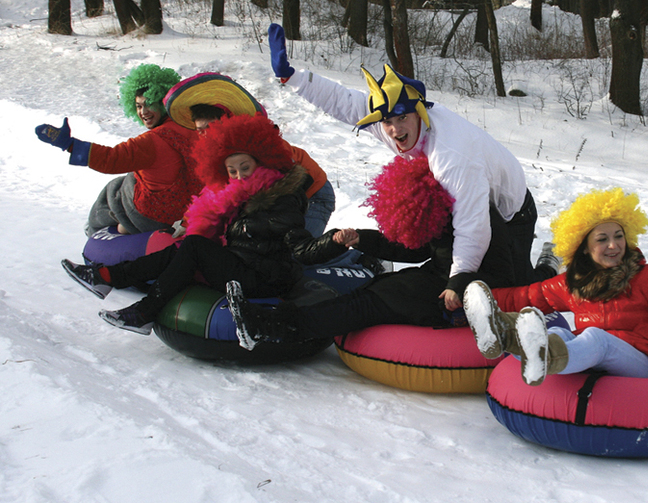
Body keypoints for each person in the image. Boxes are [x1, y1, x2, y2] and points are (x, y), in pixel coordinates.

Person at [267, 23, 557, 315]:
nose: (394, 130)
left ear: (419, 112)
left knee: (519, 289)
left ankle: (548, 264)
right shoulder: (393, 124)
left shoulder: (450, 156)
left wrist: (459, 277)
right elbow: (345, 101)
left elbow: (473, 225)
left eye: (402, 118)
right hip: (473, 199)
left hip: (511, 211)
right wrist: (292, 78)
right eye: (387, 122)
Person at [61, 115, 348, 335]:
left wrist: (332, 241)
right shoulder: (238, 194)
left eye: (245, 169)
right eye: (231, 171)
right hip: (243, 265)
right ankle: (106, 277)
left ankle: (144, 312)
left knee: (196, 247)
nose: (238, 177)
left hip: (266, 278)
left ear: (261, 163)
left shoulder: (281, 195)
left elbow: (295, 239)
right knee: (183, 249)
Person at [225, 152, 522, 351]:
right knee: (373, 292)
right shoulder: (446, 206)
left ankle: (275, 326)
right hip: (437, 281)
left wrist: (458, 288)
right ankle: (280, 321)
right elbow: (415, 249)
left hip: (463, 295)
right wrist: (361, 239)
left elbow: (498, 271)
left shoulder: (476, 213)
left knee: (367, 303)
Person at [462, 188, 648, 386]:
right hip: (594, 361)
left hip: (643, 361)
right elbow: (527, 295)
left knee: (595, 339)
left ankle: (545, 359)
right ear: (584, 246)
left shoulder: (645, 277)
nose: (614, 245)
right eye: (602, 239)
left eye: (619, 236)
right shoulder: (574, 283)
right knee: (559, 335)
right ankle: (503, 332)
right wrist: (479, 297)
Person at [163, 71, 336, 239]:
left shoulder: (256, 143)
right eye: (201, 131)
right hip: (281, 203)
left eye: (212, 128)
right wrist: (188, 222)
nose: (207, 135)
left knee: (297, 255)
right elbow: (215, 186)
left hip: (313, 194)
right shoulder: (217, 152)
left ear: (226, 123)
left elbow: (277, 182)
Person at [35, 64, 201, 236]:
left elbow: (111, 159)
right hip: (184, 210)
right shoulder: (192, 127)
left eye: (149, 104)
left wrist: (69, 144)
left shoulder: (151, 142)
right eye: (138, 106)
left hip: (152, 215)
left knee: (115, 189)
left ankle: (96, 234)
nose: (143, 112)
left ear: (162, 102)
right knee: (134, 178)